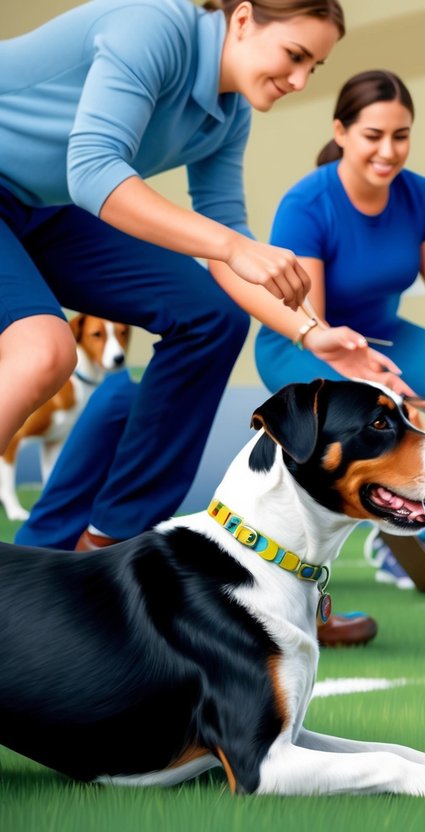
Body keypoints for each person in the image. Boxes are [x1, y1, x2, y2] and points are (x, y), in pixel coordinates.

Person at [0, 0, 347, 551]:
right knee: (44, 350)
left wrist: (312, 333)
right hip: (42, 189)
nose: (301, 80)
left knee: (210, 316)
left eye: (315, 67)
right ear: (241, 19)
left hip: (43, 204)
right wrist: (233, 246)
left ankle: (111, 540)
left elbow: (222, 239)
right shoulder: (153, 28)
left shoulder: (228, 114)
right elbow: (93, 169)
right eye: (295, 55)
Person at [215, 69, 425, 612]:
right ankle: (285, 558)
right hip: (304, 339)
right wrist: (367, 376)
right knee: (357, 412)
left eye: (401, 134)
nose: (389, 150)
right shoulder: (308, 203)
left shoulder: (421, 198)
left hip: (383, 336)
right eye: (373, 135)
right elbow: (311, 317)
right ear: (341, 131)